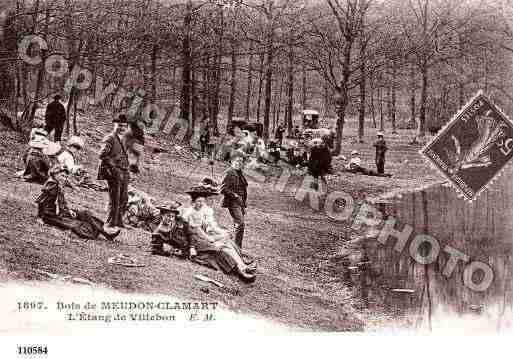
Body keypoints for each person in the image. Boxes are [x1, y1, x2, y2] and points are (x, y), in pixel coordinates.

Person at [182, 185, 256, 282]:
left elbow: (207, 227)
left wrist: (218, 234)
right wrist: (210, 239)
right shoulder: (190, 213)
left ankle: (242, 266)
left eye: (202, 201)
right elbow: (196, 231)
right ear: (193, 202)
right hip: (195, 241)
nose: (201, 203)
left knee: (226, 243)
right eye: (199, 201)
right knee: (221, 246)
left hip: (201, 237)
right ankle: (239, 270)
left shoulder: (200, 211)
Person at [36, 165, 120, 241]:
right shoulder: (52, 184)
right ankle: (102, 231)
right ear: (55, 174)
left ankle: (105, 230)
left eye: (65, 177)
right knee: (80, 226)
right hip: (52, 216)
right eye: (62, 176)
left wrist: (69, 211)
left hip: (61, 212)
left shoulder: (57, 184)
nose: (64, 178)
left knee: (84, 213)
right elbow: (41, 201)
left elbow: (60, 203)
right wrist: (40, 217)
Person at [97, 114, 129, 230]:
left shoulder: (124, 139)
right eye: (120, 125)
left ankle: (119, 220)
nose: (122, 128)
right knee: (115, 197)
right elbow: (102, 155)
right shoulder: (110, 138)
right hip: (113, 172)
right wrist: (114, 168)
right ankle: (110, 222)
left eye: (125, 126)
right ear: (114, 125)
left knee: (124, 197)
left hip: (124, 172)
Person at [220, 151, 248, 249]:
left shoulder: (240, 174)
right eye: (237, 161)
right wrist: (234, 195)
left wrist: (243, 203)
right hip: (233, 202)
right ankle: (236, 248)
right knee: (240, 223)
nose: (239, 163)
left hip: (240, 202)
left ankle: (236, 247)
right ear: (232, 162)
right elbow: (222, 189)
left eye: (241, 162)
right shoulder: (229, 172)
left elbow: (243, 190)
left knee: (239, 225)